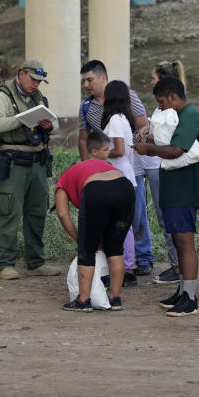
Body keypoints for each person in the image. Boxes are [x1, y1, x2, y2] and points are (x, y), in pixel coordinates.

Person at [134, 76, 199, 317]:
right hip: (174, 187)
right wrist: (154, 139)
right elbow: (172, 142)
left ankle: (190, 297)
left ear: (173, 96)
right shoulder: (178, 116)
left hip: (184, 188)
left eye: (161, 103)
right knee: (178, 240)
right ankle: (182, 290)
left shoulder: (190, 115)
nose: (160, 108)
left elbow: (178, 149)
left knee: (185, 241)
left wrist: (150, 149)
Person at [78, 60, 153, 280]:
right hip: (107, 170)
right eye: (83, 81)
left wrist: (130, 147)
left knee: (135, 218)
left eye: (90, 80)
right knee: (118, 220)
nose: (86, 85)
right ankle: (122, 262)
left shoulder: (124, 100)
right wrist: (89, 165)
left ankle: (140, 260)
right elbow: (83, 138)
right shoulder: (86, 106)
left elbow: (141, 126)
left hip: (129, 168)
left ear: (103, 78)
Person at [0, 59, 60, 280]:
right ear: (21, 74)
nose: (36, 85)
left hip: (38, 163)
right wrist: (22, 120)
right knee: (9, 212)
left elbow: (55, 124)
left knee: (37, 212)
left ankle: (36, 262)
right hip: (14, 164)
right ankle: (5, 264)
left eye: (39, 81)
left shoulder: (39, 99)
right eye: (33, 79)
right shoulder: (3, 97)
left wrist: (49, 124)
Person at [55, 132, 135, 312]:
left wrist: (79, 238)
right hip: (125, 188)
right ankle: (115, 298)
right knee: (115, 248)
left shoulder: (64, 179)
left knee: (87, 250)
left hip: (96, 190)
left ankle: (83, 300)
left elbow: (62, 213)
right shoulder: (105, 165)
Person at [143, 61, 185, 284]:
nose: (150, 82)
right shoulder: (164, 108)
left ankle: (178, 266)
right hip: (158, 165)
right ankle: (176, 263)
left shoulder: (169, 109)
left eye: (153, 78)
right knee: (165, 219)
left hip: (163, 166)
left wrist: (150, 140)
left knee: (168, 218)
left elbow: (169, 139)